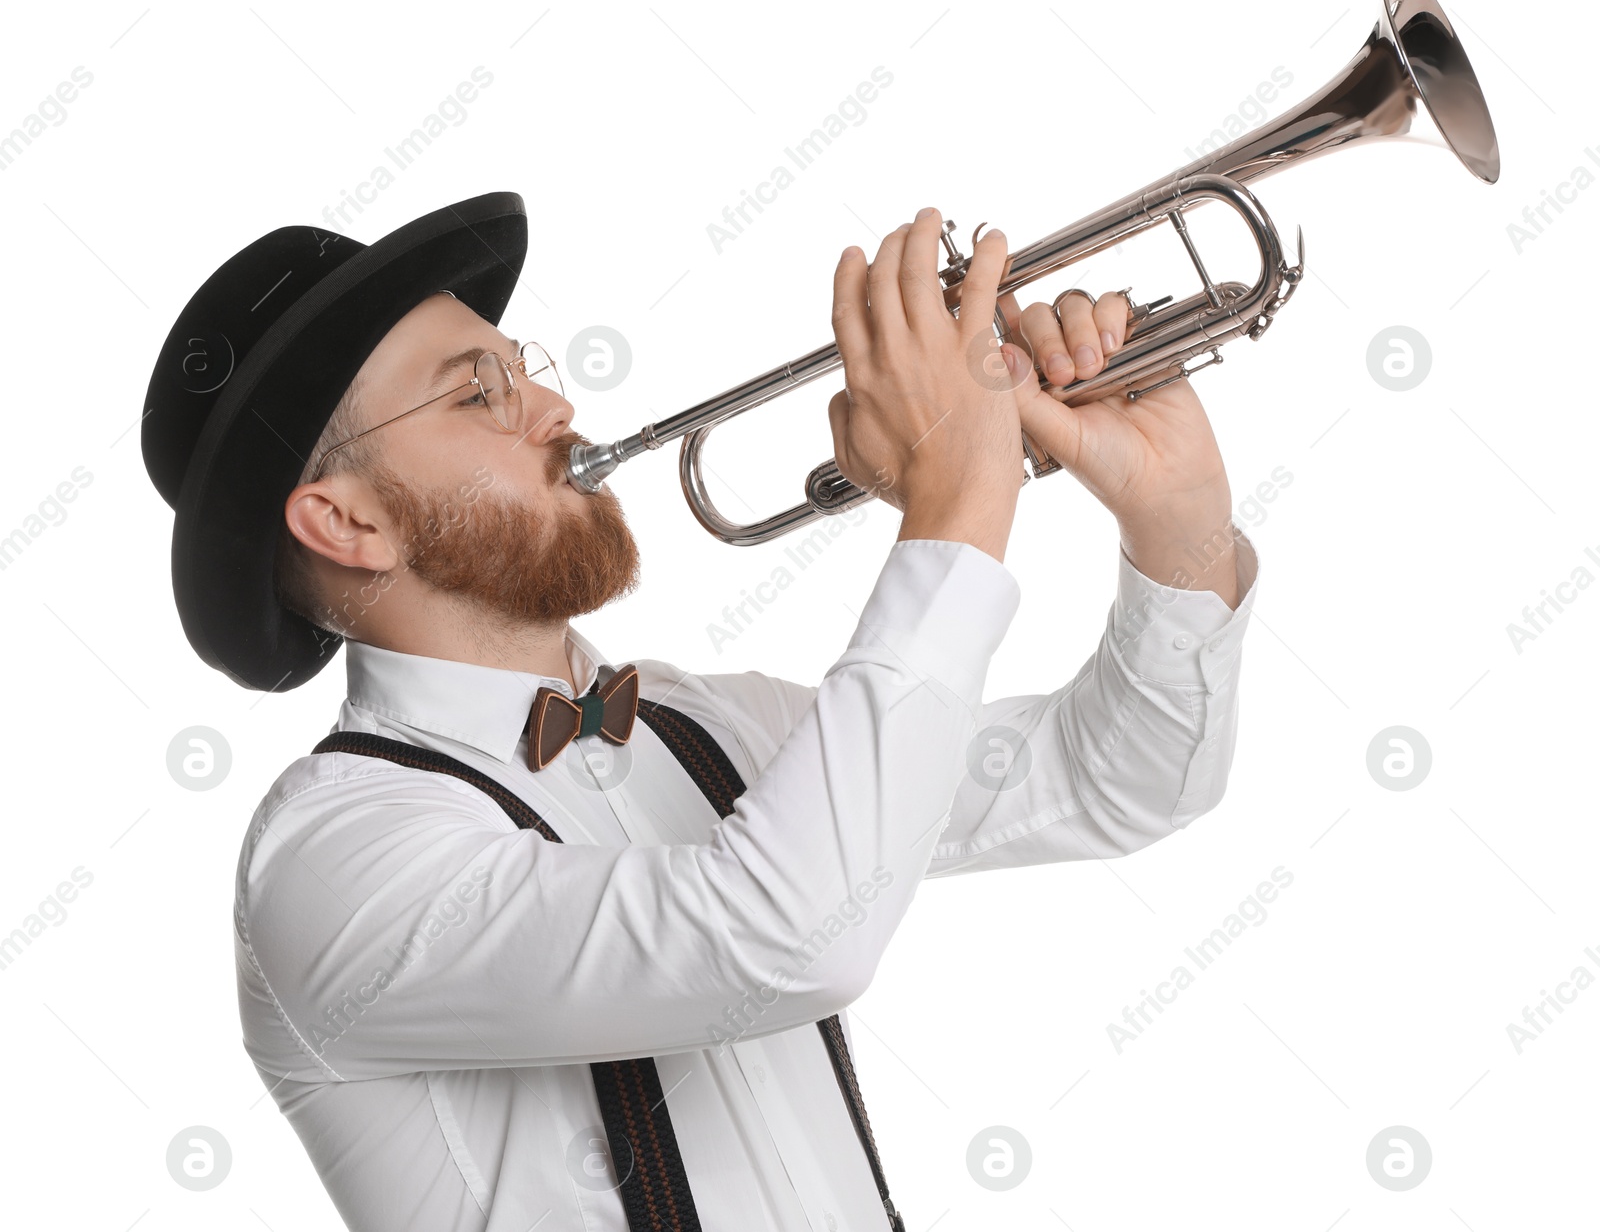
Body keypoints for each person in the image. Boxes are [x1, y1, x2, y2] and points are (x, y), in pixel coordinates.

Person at [141, 191, 1258, 1231]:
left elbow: (1119, 779)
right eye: (479, 390)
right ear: (346, 524)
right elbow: (787, 931)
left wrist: (1177, 518)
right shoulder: (332, 857)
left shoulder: (696, 721)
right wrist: (960, 492)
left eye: (520, 368)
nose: (555, 407)